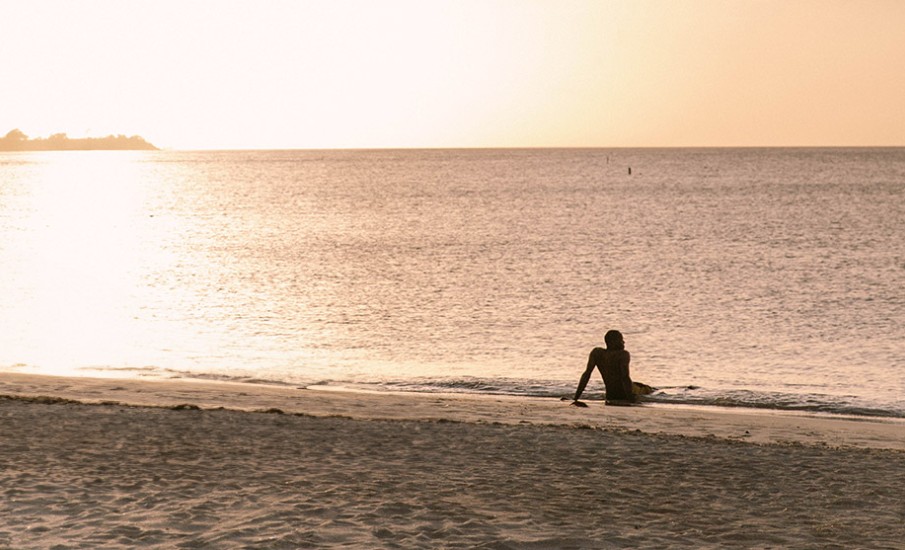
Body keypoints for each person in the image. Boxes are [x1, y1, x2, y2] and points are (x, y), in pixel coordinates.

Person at [572, 329, 635, 406]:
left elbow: (586, 374)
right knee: (647, 390)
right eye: (621, 340)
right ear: (613, 342)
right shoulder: (623, 355)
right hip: (624, 396)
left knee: (640, 386)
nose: (623, 342)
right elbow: (625, 377)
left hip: (610, 396)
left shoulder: (597, 353)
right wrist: (631, 399)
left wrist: (576, 397)